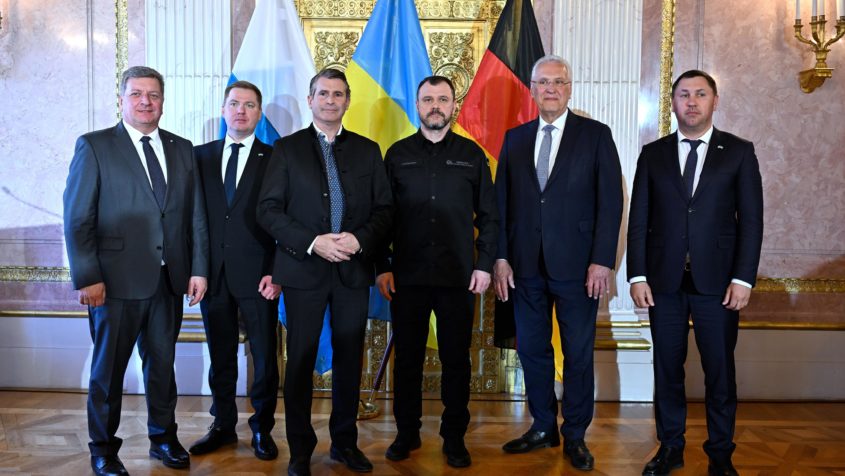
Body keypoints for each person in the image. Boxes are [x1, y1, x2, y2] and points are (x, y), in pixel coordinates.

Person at [63, 66, 209, 475]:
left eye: (154, 95)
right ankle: (103, 450)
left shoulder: (182, 148)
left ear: (163, 101)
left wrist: (198, 269)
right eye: (137, 94)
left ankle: (163, 439)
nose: (146, 101)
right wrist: (88, 276)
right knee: (108, 373)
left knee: (162, 367)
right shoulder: (94, 146)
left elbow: (195, 215)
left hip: (168, 281)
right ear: (122, 99)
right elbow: (77, 217)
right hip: (113, 283)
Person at [257, 68, 392, 476]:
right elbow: (268, 210)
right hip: (303, 270)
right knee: (299, 360)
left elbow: (385, 210)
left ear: (347, 101)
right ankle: (300, 449)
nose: (330, 100)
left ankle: (345, 444)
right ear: (310, 100)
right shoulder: (286, 149)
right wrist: (314, 242)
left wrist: (359, 240)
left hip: (352, 270)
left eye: (338, 94)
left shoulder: (368, 150)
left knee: (350, 358)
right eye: (323, 93)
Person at [628, 70, 763, 476]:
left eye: (700, 94)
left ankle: (720, 454)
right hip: (663, 283)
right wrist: (637, 276)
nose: (691, 101)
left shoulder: (738, 152)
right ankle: (670, 448)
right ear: (672, 103)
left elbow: (751, 221)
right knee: (667, 370)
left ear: (714, 101)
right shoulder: (653, 154)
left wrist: (743, 278)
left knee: (719, 372)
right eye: (684, 94)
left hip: (719, 285)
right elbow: (639, 219)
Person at [494, 55, 623, 471]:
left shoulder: (596, 135)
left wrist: (602, 261)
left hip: (579, 268)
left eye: (558, 82)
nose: (550, 89)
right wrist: (501, 257)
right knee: (533, 349)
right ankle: (543, 425)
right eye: (543, 82)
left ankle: (576, 434)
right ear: (532, 89)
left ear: (569, 88)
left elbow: (611, 204)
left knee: (578, 353)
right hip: (524, 266)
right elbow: (501, 205)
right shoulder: (515, 138)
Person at [375, 76, 498, 468]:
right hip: (406, 277)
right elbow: (381, 217)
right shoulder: (396, 155)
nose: (435, 106)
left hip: (456, 277)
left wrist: (484, 265)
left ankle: (454, 437)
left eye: (442, 99)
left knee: (456, 361)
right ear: (417, 105)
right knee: (407, 360)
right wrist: (382, 267)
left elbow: (490, 216)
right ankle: (406, 433)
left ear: (453, 105)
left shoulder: (471, 155)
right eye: (428, 99)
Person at [189, 80, 281, 461]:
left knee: (264, 357)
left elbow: (284, 219)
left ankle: (262, 429)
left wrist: (277, 272)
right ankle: (222, 425)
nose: (241, 111)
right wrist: (196, 269)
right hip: (212, 275)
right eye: (234, 104)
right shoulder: (199, 156)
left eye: (249, 105)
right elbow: (191, 218)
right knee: (220, 355)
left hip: (260, 277)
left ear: (259, 113)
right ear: (223, 110)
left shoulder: (275, 158)